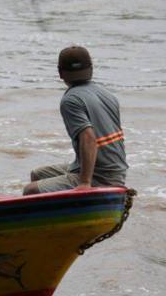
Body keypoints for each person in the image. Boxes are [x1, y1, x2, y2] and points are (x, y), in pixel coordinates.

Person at [23, 46, 128, 194]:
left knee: (30, 190)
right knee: (37, 174)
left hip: (101, 176)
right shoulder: (107, 94)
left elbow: (89, 138)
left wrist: (85, 183)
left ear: (60, 73)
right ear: (91, 69)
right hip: (117, 171)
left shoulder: (71, 100)